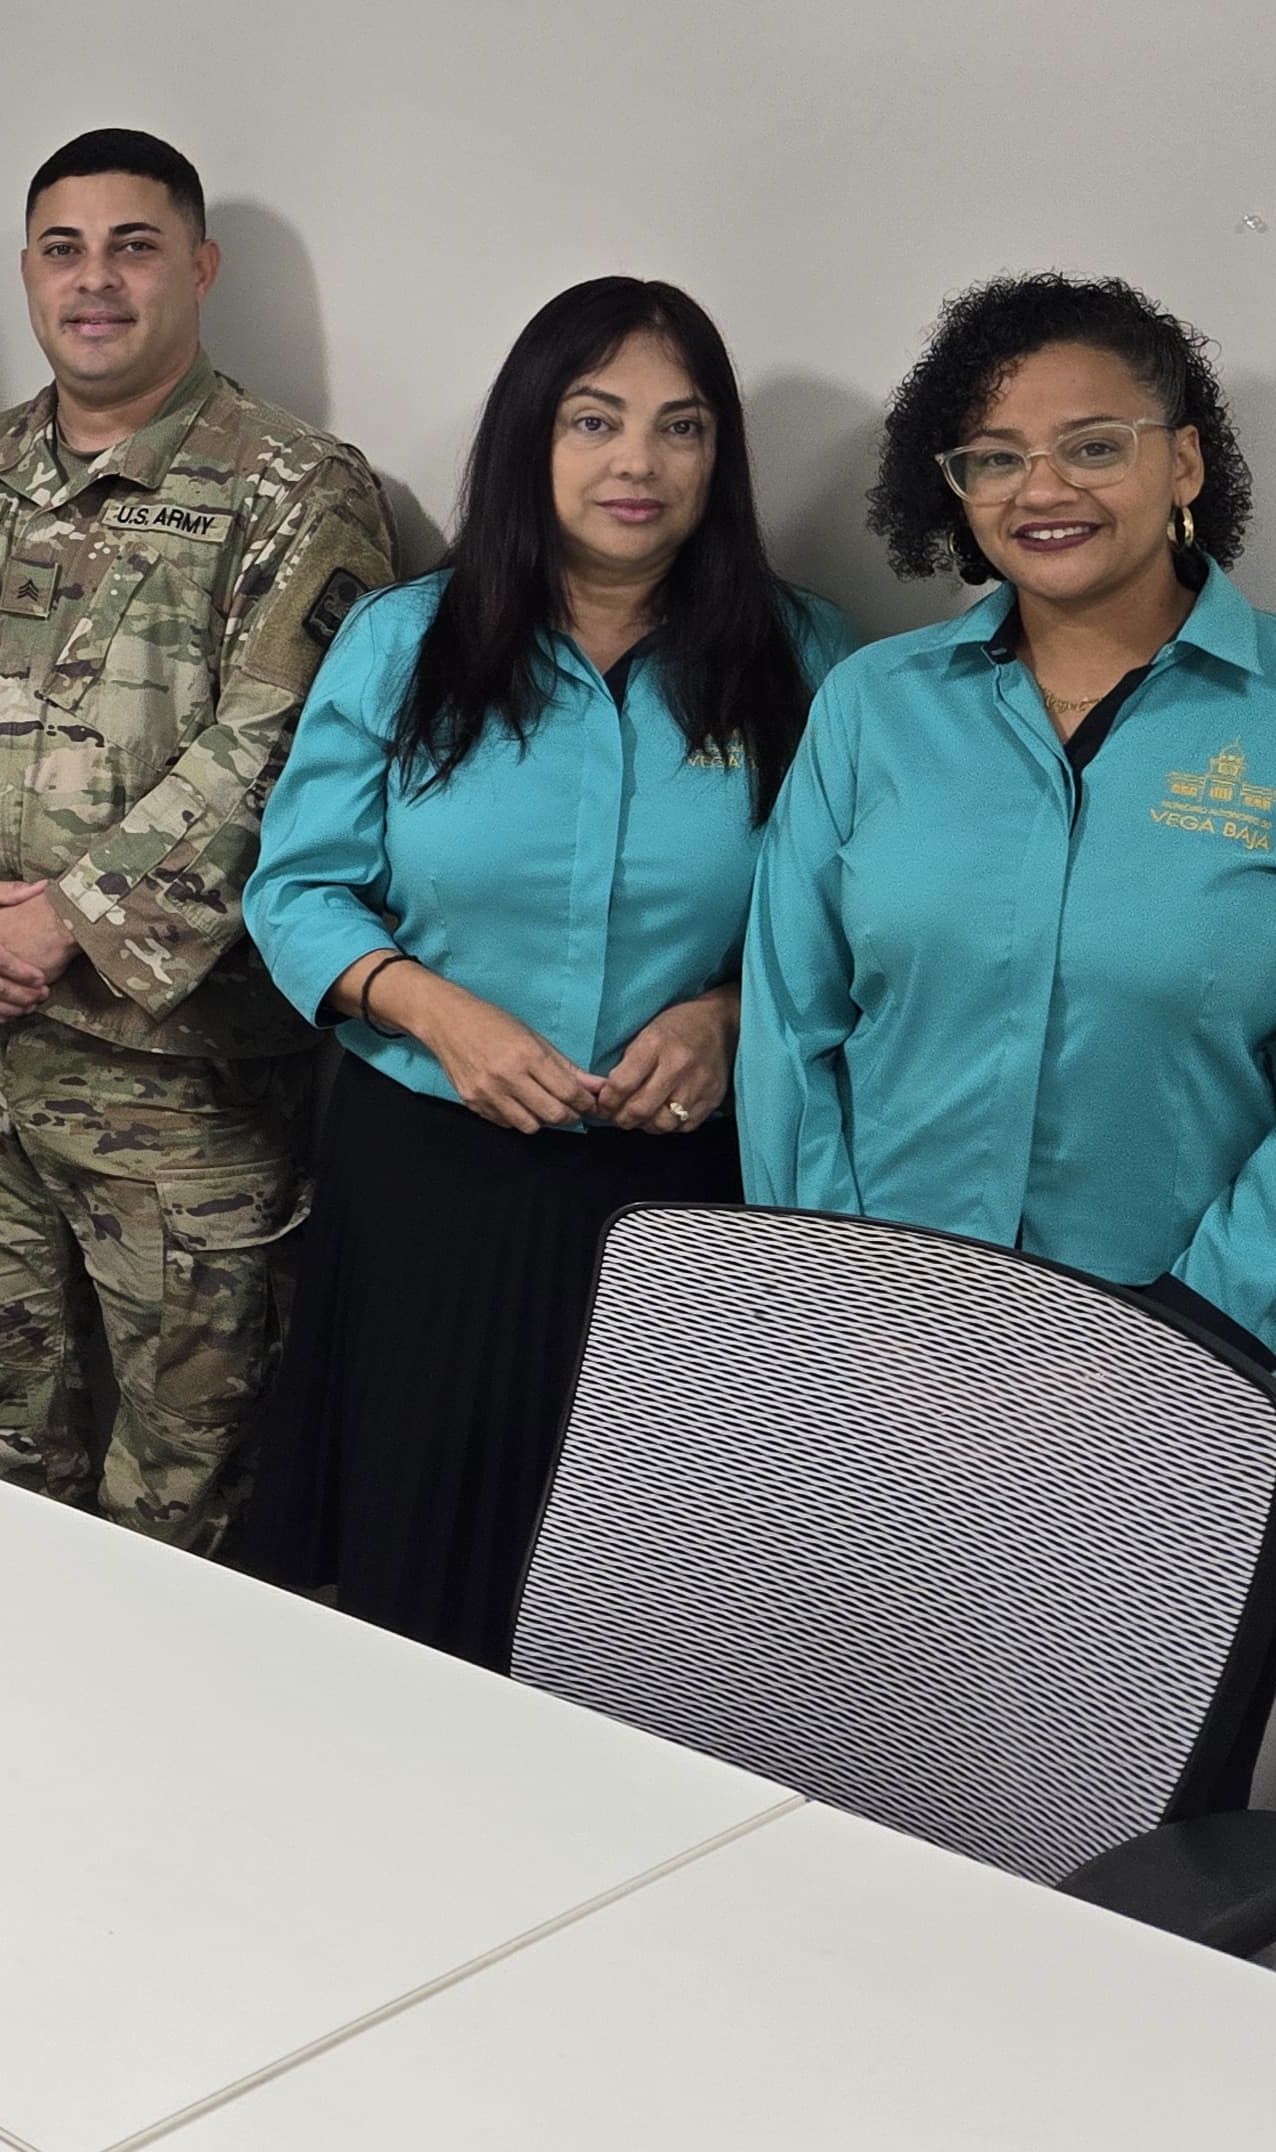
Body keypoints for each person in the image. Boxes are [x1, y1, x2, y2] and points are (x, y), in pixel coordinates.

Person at [743, 272, 1276, 1787]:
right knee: (843, 1765)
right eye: (992, 455)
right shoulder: (877, 707)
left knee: (1111, 1800)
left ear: (1185, 462)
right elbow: (793, 1025)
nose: (1039, 488)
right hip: (880, 1350)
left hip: (1186, 1358)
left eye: (1092, 445)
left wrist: (1167, 1349)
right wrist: (838, 1301)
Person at [235, 279, 846, 1655]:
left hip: (688, 1193)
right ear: (531, 439)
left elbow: (856, 926)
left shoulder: (807, 662)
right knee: (416, 1588)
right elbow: (296, 889)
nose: (639, 462)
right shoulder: (408, 641)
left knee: (646, 1600)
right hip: (434, 1182)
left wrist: (732, 1017)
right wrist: (431, 1009)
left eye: (682, 428)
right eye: (596, 421)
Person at [0, 131, 387, 1542]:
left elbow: (277, 748)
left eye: (134, 246)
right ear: (29, 271)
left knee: (189, 1506)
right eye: (63, 248)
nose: (97, 281)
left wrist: (63, 915)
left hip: (188, 1097)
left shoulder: (301, 489)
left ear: (198, 268)